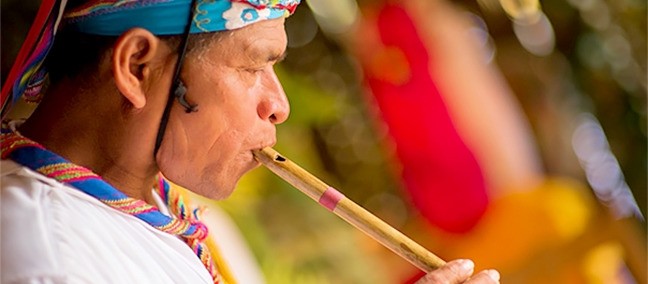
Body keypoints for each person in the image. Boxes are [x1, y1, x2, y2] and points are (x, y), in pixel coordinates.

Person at [0, 0, 500, 283]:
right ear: (138, 67)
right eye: (252, 65)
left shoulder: (153, 210)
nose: (278, 105)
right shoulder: (53, 260)